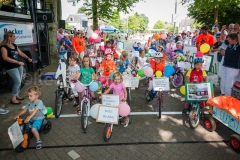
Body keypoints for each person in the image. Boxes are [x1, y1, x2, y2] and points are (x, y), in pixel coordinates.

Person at [0, 31, 32, 105]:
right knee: (17, 82)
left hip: (18, 66)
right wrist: (18, 62)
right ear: (9, 38)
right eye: (14, 36)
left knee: (19, 81)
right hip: (10, 67)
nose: (15, 38)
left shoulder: (14, 45)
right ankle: (13, 99)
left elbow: (20, 53)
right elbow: (5, 58)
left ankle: (17, 95)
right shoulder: (3, 47)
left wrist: (28, 58)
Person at [182, 52, 208, 119]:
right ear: (194, 65)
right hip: (192, 87)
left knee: (202, 102)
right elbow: (187, 78)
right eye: (198, 65)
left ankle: (202, 113)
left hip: (199, 88)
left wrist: (206, 84)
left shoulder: (203, 71)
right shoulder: (191, 71)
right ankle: (185, 108)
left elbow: (205, 78)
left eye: (201, 65)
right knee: (187, 100)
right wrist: (189, 83)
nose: (199, 66)